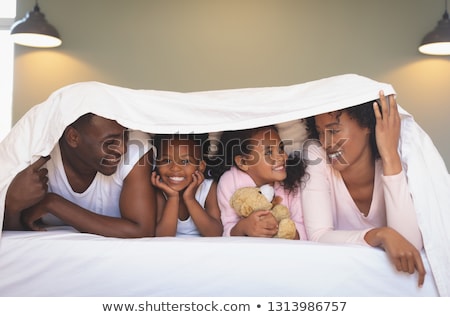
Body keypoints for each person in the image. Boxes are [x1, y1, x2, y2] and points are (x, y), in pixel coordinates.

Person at [302, 91, 426, 287]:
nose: (326, 143)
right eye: (320, 132)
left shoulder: (399, 157)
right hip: (339, 282)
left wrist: (390, 156)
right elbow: (318, 236)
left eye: (334, 131)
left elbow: (410, 246)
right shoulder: (316, 155)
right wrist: (380, 234)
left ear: (367, 125)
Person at [3, 113, 156, 238]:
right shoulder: (35, 156)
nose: (122, 149)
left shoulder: (136, 148)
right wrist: (12, 206)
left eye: (125, 136)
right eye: (110, 142)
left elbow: (141, 230)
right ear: (73, 137)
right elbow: (13, 236)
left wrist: (53, 203)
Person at [214, 125, 307, 239]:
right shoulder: (230, 181)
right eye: (268, 153)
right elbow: (227, 228)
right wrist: (244, 227)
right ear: (243, 162)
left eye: (281, 148)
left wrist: (280, 229)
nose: (281, 157)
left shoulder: (292, 182)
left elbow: (303, 229)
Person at [151, 133, 223, 237]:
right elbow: (163, 238)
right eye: (166, 160)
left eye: (185, 161)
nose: (175, 168)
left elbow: (215, 234)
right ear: (157, 164)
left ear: (201, 166)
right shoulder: (159, 189)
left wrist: (190, 199)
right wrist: (172, 197)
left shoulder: (209, 187)